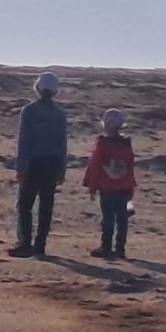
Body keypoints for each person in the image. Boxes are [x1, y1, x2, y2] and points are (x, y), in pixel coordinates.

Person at [9, 70, 69, 257]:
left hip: (33, 163)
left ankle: (25, 243)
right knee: (46, 206)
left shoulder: (29, 111)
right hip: (51, 163)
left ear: (37, 88)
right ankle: (40, 244)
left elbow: (24, 141)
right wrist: (62, 169)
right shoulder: (59, 114)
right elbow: (62, 144)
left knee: (25, 205)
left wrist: (21, 168)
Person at [81, 107, 138, 258]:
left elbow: (95, 166)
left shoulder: (102, 144)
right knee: (122, 218)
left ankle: (106, 246)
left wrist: (92, 186)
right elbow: (130, 166)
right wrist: (131, 186)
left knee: (108, 218)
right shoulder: (126, 143)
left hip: (107, 188)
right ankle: (120, 248)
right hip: (123, 187)